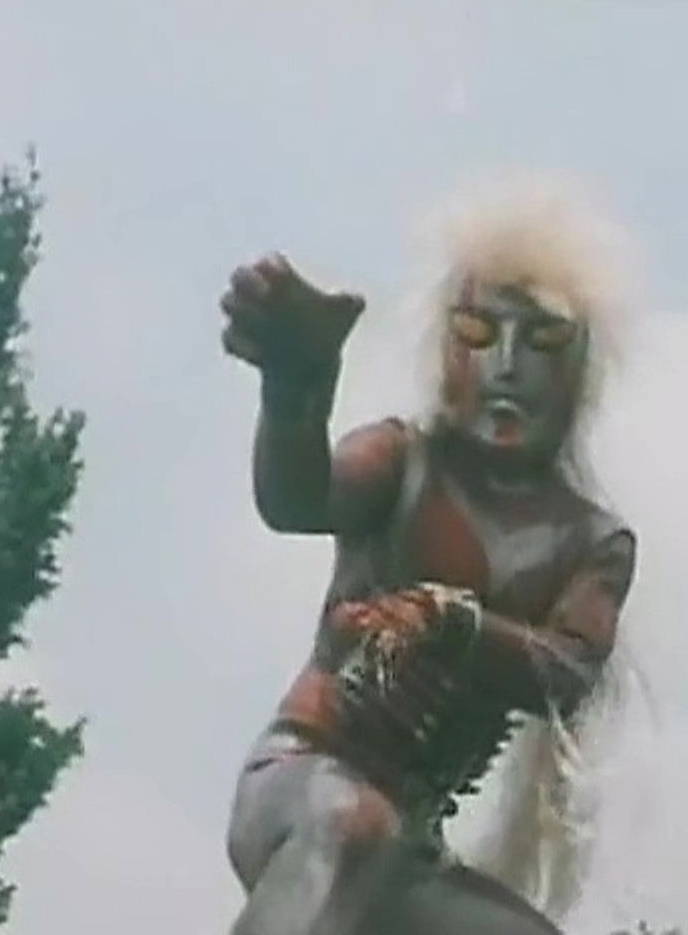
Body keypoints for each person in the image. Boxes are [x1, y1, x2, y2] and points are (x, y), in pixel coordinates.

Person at [220, 185, 637, 935]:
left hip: (409, 846)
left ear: (579, 365)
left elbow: (568, 671)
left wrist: (457, 625)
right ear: (447, 348)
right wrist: (293, 393)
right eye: (479, 331)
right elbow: (296, 499)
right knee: (350, 826)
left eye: (540, 340)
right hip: (302, 783)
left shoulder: (588, 541)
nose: (505, 365)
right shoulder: (401, 458)